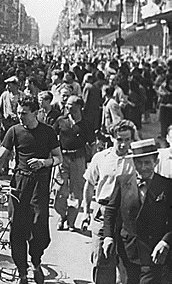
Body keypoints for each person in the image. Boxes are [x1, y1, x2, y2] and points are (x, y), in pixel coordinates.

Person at [0, 96, 62, 284]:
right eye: (19, 113)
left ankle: (36, 261)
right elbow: (1, 157)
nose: (20, 117)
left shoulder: (48, 132)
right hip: (19, 182)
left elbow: (59, 158)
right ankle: (22, 272)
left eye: (24, 114)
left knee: (38, 227)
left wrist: (44, 162)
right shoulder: (14, 131)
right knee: (17, 228)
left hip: (40, 183)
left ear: (36, 113)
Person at [102, 139, 172, 284]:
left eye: (147, 163)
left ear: (156, 161)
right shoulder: (122, 182)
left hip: (155, 253)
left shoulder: (167, 186)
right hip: (128, 251)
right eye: (139, 163)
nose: (143, 167)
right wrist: (108, 237)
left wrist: (166, 241)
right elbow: (111, 211)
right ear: (133, 163)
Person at [82, 120, 137, 284]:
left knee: (127, 261)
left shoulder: (135, 159)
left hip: (127, 215)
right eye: (119, 139)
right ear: (112, 138)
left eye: (127, 140)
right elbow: (89, 185)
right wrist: (85, 212)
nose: (123, 144)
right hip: (103, 211)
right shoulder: (101, 158)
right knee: (102, 258)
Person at [53, 95, 95, 231]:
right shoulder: (61, 121)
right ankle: (62, 215)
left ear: (79, 107)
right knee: (59, 190)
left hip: (78, 159)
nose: (67, 106)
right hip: (62, 158)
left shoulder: (86, 123)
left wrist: (92, 161)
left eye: (70, 104)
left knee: (77, 192)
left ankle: (71, 221)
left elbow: (92, 143)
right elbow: (51, 137)